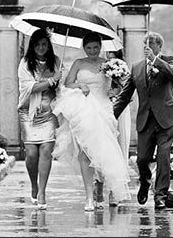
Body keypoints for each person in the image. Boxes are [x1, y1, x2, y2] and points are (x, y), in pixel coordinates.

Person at [53, 31, 131, 211]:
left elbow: (120, 87)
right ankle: (89, 197)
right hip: (85, 108)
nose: (92, 51)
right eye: (88, 48)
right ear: (84, 48)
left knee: (106, 150)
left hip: (104, 108)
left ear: (101, 47)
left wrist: (116, 90)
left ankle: (108, 189)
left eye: (96, 47)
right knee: (85, 152)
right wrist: (80, 85)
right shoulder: (79, 63)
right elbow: (67, 84)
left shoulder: (108, 64)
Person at [112, 31, 173, 210]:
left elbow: (172, 73)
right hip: (145, 120)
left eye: (151, 45)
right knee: (142, 159)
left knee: (163, 157)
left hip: (166, 120)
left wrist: (155, 60)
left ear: (159, 46)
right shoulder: (136, 68)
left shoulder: (169, 60)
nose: (147, 48)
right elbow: (125, 95)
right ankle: (145, 182)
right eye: (145, 46)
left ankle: (160, 195)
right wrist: (110, 116)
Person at [17, 28, 62, 210]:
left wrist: (59, 80)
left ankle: (42, 191)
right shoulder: (25, 63)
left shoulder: (56, 62)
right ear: (32, 46)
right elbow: (29, 88)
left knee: (45, 151)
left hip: (49, 111)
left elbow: (61, 86)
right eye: (37, 44)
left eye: (44, 44)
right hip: (28, 111)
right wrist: (50, 81)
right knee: (31, 154)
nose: (41, 47)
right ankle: (33, 184)